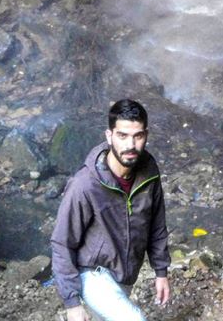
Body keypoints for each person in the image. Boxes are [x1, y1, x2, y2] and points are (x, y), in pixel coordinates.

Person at [51, 99, 171, 321]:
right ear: (109, 136)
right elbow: (62, 242)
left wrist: (160, 271)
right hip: (91, 273)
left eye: (138, 136)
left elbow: (156, 224)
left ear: (146, 135)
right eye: (122, 135)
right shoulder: (85, 184)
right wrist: (72, 302)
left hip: (124, 275)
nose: (130, 145)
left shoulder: (149, 174)